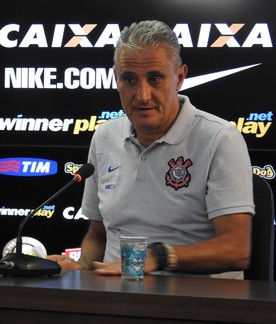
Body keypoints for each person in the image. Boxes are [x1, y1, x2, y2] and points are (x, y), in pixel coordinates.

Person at [47, 20, 255, 279]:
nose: (142, 95)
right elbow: (98, 234)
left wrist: (158, 257)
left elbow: (236, 249)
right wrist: (84, 266)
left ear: (179, 78)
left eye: (155, 78)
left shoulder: (220, 138)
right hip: (114, 297)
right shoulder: (104, 136)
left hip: (195, 303)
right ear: (116, 80)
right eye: (129, 79)